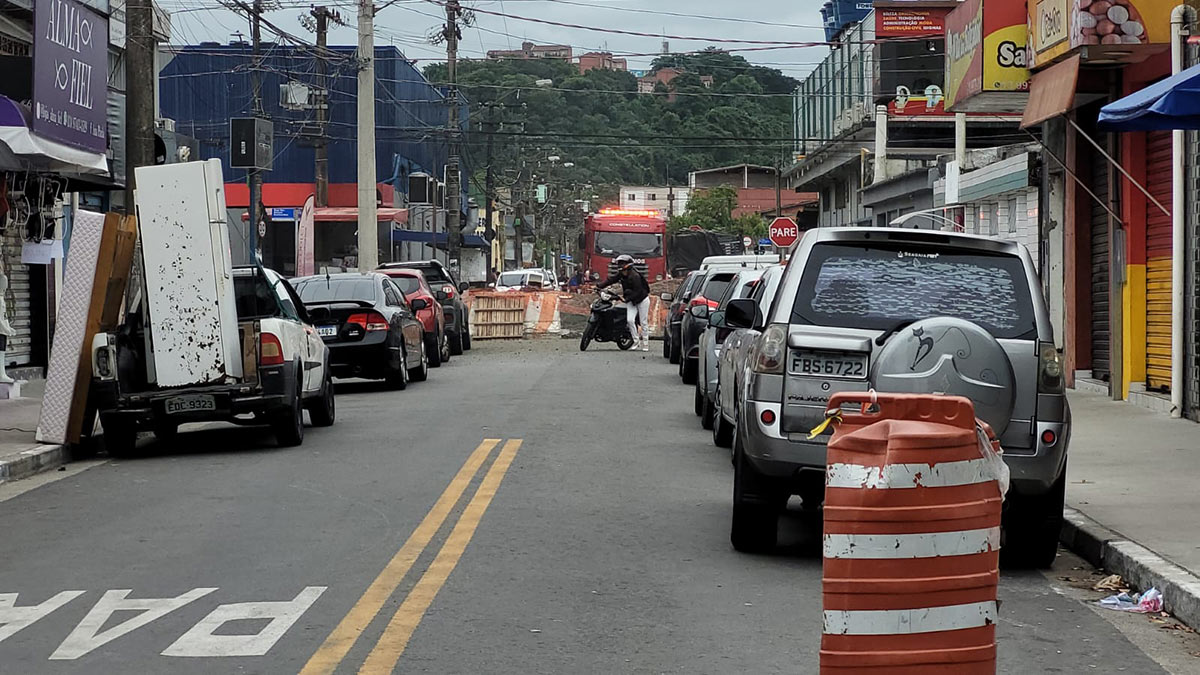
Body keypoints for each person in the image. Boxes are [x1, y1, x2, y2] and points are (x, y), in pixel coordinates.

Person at [597, 254, 651, 352]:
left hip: (642, 300)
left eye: (622, 264)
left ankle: (646, 343)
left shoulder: (635, 276)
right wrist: (599, 286)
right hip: (631, 300)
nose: (620, 266)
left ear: (628, 265)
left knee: (643, 322)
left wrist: (627, 298)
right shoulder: (621, 274)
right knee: (630, 320)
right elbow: (611, 280)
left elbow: (638, 291)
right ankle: (636, 341)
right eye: (619, 264)